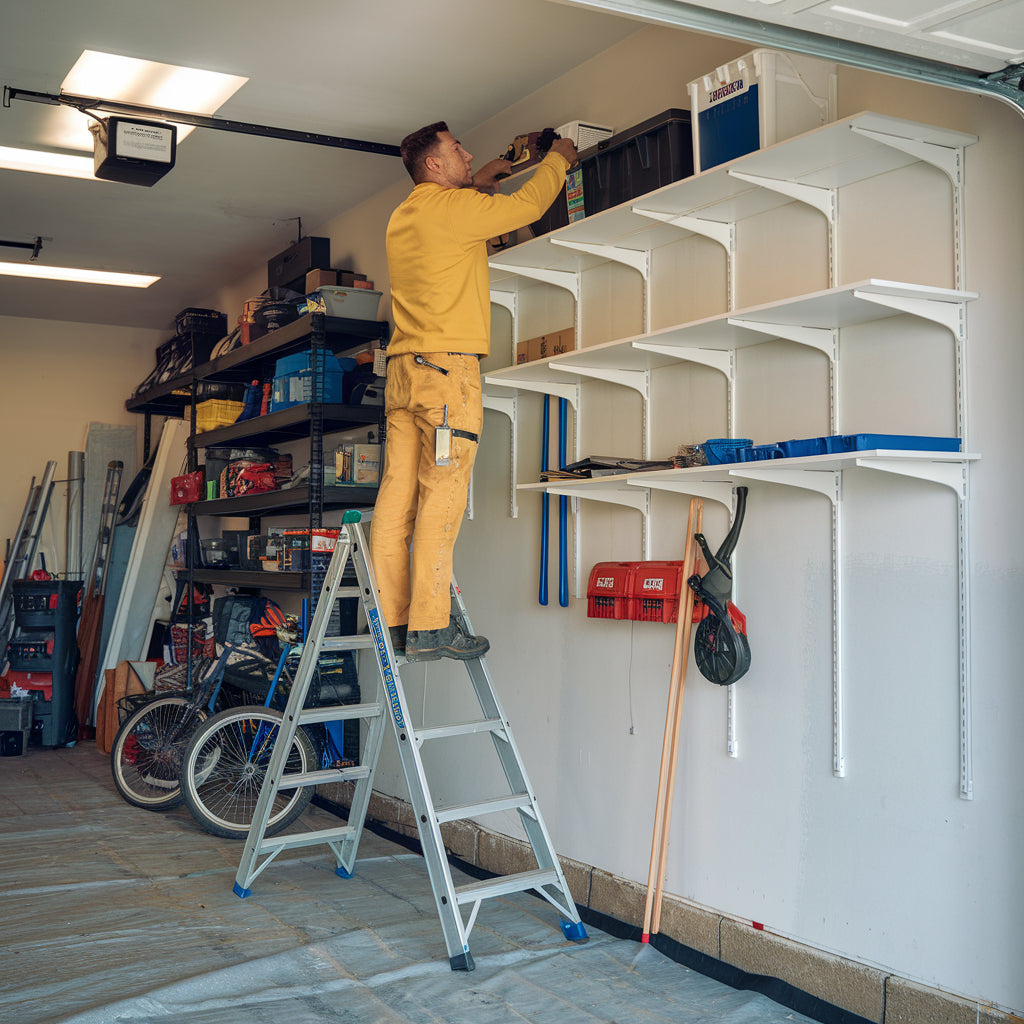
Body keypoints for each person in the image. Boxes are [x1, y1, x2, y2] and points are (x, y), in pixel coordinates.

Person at [372, 121, 578, 662]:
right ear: (435, 165)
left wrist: (477, 183)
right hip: (447, 375)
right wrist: (557, 158)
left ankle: (395, 621)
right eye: (457, 151)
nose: (467, 154)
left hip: (402, 375)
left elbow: (453, 218)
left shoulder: (404, 216)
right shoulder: (454, 211)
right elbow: (530, 205)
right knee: (442, 493)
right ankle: (431, 628)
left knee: (395, 501)